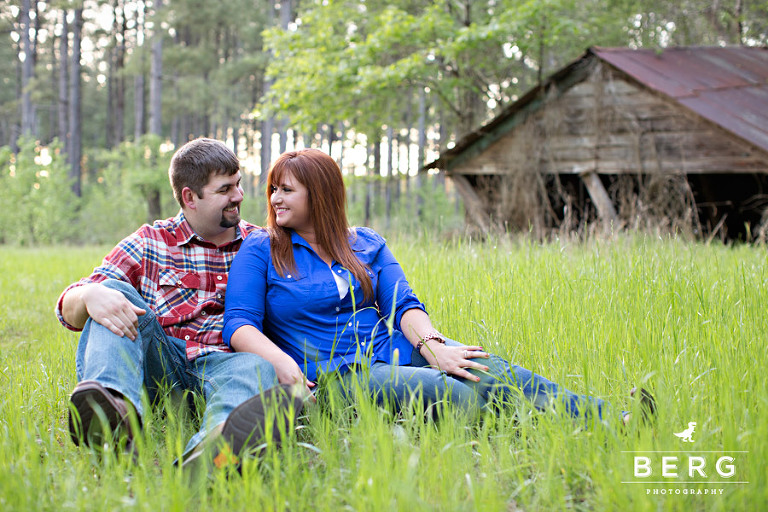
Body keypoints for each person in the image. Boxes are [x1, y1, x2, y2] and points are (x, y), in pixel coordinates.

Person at [223, 148, 654, 425]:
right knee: (451, 395)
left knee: (489, 369)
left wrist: (434, 346)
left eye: (288, 190)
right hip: (335, 375)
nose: (275, 198)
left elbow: (403, 303)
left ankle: (615, 420)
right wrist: (283, 364)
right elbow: (239, 325)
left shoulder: (366, 243)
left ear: (320, 194)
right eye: (273, 189)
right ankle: (539, 429)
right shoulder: (261, 249)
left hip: (388, 349)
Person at [56, 137, 301, 470]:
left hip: (227, 366)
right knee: (110, 292)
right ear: (190, 197)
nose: (239, 196)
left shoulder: (261, 245)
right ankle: (112, 408)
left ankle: (214, 450)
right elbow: (69, 310)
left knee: (254, 367)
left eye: (239, 184)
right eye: (225, 189)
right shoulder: (150, 241)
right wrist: (87, 295)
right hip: (162, 364)